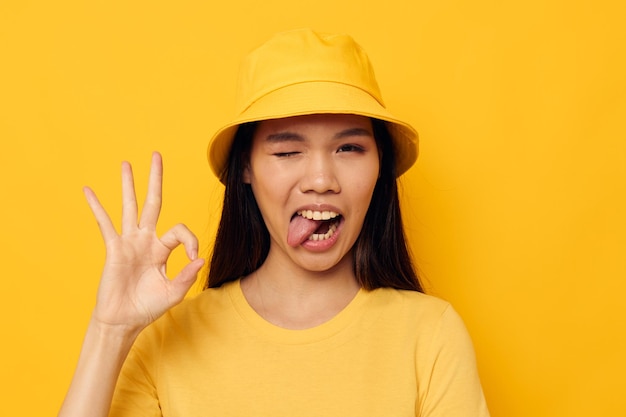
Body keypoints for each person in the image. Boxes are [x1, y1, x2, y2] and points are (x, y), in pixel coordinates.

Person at [59, 29, 490, 417]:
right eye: (287, 153)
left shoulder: (429, 336)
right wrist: (109, 331)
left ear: (380, 166)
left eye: (350, 149)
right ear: (244, 168)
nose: (321, 180)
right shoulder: (166, 339)